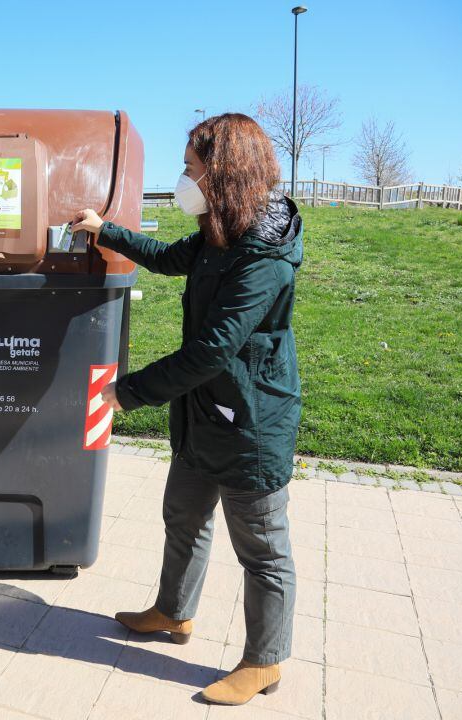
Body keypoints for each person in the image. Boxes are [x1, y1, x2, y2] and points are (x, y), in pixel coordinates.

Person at [72, 112, 302, 706]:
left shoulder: (264, 250)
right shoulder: (222, 228)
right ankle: (174, 612)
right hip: (206, 415)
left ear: (223, 174)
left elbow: (214, 349)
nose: (183, 178)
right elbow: (174, 258)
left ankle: (264, 661)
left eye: (191, 168)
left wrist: (129, 390)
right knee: (183, 516)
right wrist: (108, 231)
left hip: (252, 420)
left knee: (262, 549)